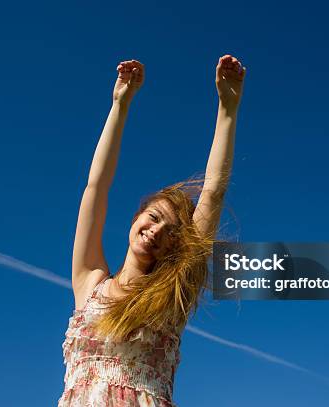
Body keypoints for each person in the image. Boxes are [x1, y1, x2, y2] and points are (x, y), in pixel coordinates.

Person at [58, 54, 246, 406]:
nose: (156, 230)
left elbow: (214, 191)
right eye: (154, 217)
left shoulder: (171, 298)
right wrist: (120, 104)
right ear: (136, 219)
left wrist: (228, 109)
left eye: (171, 231)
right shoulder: (90, 284)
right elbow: (95, 189)